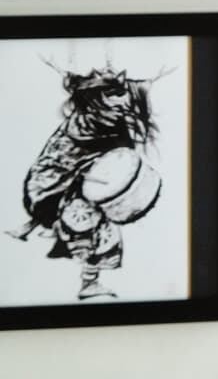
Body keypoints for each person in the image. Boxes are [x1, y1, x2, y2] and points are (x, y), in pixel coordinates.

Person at [7, 63, 160, 301]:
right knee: (96, 222)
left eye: (122, 100)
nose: (122, 106)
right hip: (50, 186)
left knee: (84, 199)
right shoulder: (87, 125)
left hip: (55, 184)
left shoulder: (104, 119)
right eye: (115, 100)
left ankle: (30, 227)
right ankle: (89, 283)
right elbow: (87, 161)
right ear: (98, 100)